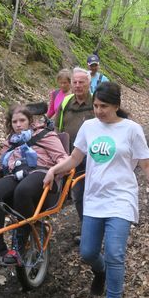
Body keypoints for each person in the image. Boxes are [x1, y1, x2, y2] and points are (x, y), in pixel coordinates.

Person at [43, 82, 149, 298]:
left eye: (104, 106)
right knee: (88, 252)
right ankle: (99, 271)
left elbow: (147, 165)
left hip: (121, 199)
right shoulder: (89, 127)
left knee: (115, 253)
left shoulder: (132, 130)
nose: (99, 111)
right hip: (95, 199)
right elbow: (74, 159)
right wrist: (54, 169)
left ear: (116, 105)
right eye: (96, 106)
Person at [0, 105, 68, 265]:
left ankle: (19, 245)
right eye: (14, 121)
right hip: (17, 173)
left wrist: (54, 170)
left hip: (42, 173)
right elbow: (7, 164)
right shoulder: (11, 142)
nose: (18, 124)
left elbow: (63, 158)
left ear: (30, 120)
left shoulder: (45, 135)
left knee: (22, 189)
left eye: (22, 120)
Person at [54, 67, 95, 242]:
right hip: (73, 157)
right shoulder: (65, 104)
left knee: (95, 194)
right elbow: (57, 128)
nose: (78, 86)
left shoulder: (97, 102)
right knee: (78, 194)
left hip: (97, 158)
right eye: (75, 82)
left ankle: (99, 228)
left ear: (89, 83)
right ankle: (87, 229)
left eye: (82, 82)